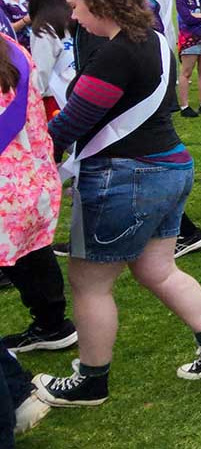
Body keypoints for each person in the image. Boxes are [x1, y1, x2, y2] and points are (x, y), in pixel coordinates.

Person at [36, 0, 201, 407]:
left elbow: (75, 119)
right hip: (169, 166)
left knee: (90, 283)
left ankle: (91, 379)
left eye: (76, 6)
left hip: (124, 174)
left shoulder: (116, 53)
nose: (73, 16)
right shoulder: (154, 41)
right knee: (158, 270)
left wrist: (35, 154)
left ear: (99, 0)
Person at [108, 0, 201, 258]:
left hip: (142, 71)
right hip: (157, 65)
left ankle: (180, 228)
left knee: (144, 148)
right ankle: (173, 226)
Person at [0, 29, 75, 354]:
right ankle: (52, 323)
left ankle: (51, 323)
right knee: (34, 250)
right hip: (32, 172)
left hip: (9, 179)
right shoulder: (16, 50)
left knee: (26, 255)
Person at [26, 0, 72, 118]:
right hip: (77, 90)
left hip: (56, 97)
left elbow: (42, 70)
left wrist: (33, 98)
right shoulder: (73, 19)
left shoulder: (42, 28)